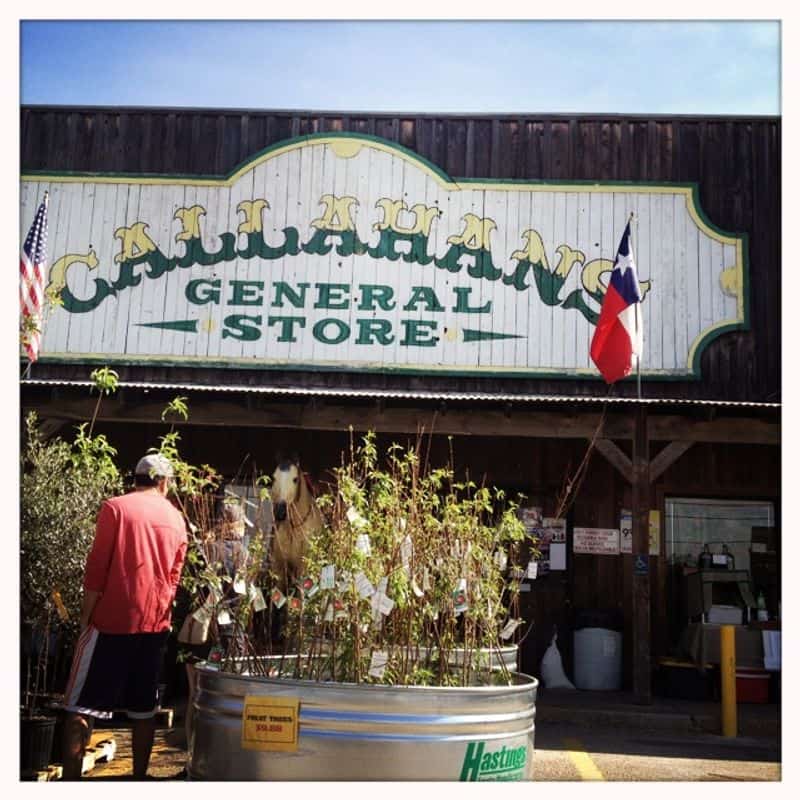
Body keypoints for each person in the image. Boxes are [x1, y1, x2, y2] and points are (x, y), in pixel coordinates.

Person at [61, 453, 187, 780]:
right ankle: (139, 778)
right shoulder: (176, 518)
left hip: (109, 623)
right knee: (144, 709)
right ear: (163, 481)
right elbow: (174, 578)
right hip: (154, 626)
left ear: (137, 477)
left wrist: (85, 618)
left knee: (81, 706)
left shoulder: (115, 508)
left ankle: (70, 782)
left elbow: (97, 568)